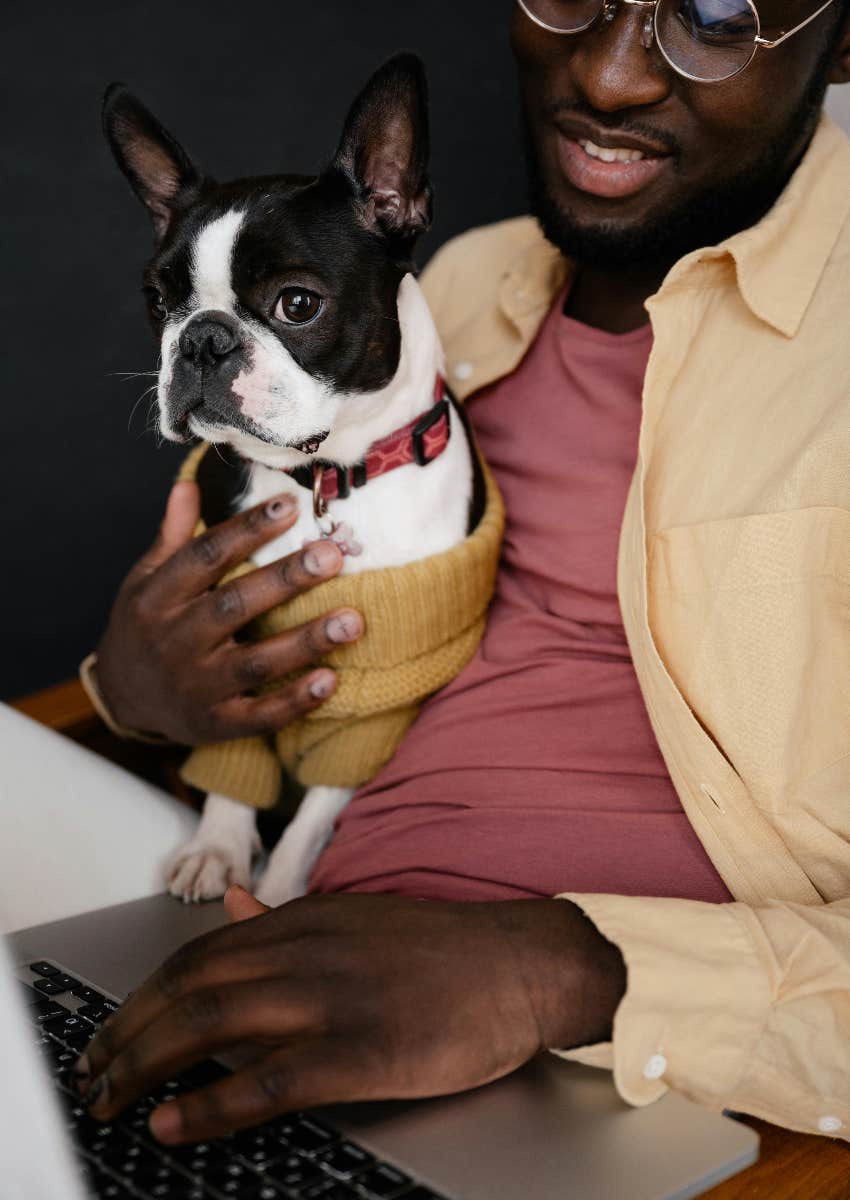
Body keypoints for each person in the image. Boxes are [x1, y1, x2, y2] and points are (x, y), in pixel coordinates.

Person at [73, 0, 850, 1149]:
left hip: (619, 1090)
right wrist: (132, 697)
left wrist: (566, 972)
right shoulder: (467, 282)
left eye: (716, 13)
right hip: (256, 948)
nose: (611, 70)